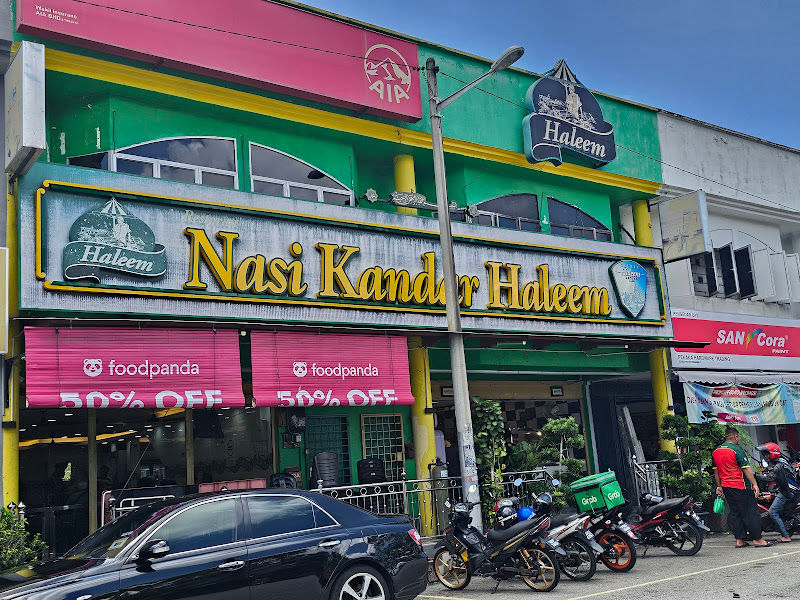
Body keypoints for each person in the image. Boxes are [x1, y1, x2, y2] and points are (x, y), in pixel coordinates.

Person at [712, 427, 772, 548]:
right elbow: (746, 469)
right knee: (752, 512)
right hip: (740, 485)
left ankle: (739, 540)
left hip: (726, 486)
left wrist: (719, 487)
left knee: (735, 513)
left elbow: (716, 472)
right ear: (735, 437)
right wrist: (754, 484)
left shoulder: (716, 451)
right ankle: (758, 539)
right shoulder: (736, 449)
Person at [762, 441, 798, 543]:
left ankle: (785, 536)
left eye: (767, 454)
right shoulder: (782, 461)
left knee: (772, 512)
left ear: (772, 454)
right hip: (791, 489)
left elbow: (770, 477)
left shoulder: (778, 466)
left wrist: (755, 476)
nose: (765, 456)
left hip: (787, 491)